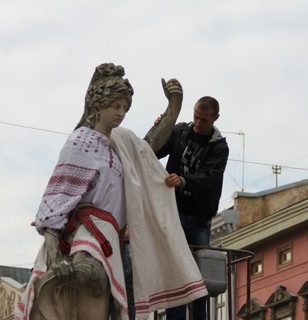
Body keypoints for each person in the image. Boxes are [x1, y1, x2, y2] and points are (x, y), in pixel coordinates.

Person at [15, 63, 208, 320]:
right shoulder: (81, 141)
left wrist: (174, 107)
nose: (120, 113)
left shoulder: (120, 144)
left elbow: (149, 145)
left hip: (114, 238)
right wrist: (53, 253)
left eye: (124, 108)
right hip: (85, 233)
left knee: (120, 291)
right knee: (90, 272)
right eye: (114, 107)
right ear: (98, 107)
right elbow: (58, 198)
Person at [156, 96, 229, 320]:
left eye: (204, 120)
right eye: (196, 117)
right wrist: (159, 128)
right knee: (176, 269)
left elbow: (209, 177)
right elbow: (154, 150)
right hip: (175, 211)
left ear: (215, 118)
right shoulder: (180, 132)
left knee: (198, 275)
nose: (198, 123)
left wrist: (183, 180)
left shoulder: (219, 147)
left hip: (199, 217)